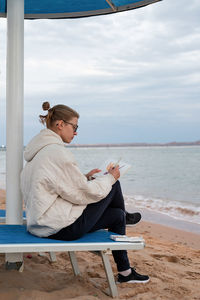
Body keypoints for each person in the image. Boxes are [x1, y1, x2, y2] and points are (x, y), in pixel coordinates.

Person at [20, 102, 149, 284]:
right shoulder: (56, 153)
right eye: (74, 126)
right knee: (114, 184)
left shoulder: (37, 155)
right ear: (60, 125)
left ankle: (125, 273)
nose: (76, 132)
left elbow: (58, 185)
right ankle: (126, 219)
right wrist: (110, 178)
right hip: (59, 227)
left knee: (117, 215)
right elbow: (83, 194)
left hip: (40, 224)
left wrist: (85, 177)